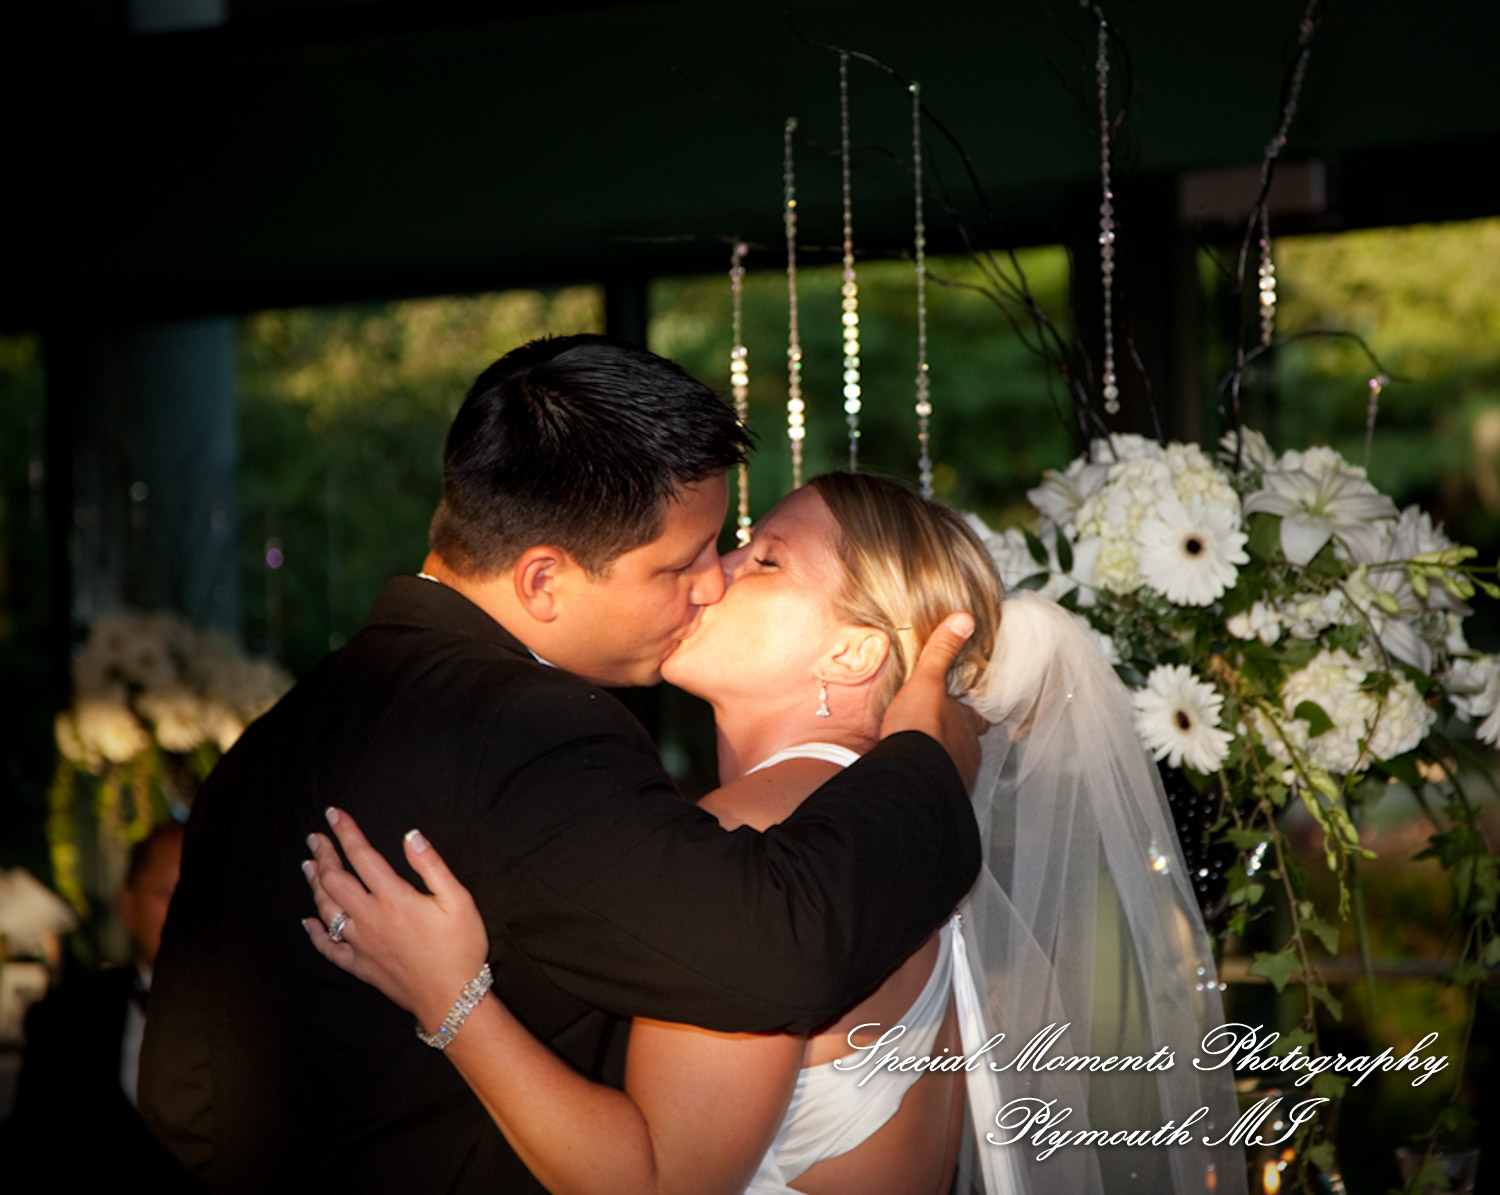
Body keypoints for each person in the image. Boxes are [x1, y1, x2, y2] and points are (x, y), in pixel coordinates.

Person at [139, 336, 984, 1194]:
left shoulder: (261, 751)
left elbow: (181, 1099)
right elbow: (776, 949)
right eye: (680, 563)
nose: (712, 583)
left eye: (734, 551)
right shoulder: (532, 733)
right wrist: (928, 759)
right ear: (543, 581)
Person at [304, 472, 1247, 1195]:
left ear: (854, 650)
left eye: (763, 560)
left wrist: (451, 997)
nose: (710, 573)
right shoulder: (895, 832)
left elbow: (657, 1184)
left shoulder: (758, 834)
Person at [1, 823, 196, 1190]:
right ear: (127, 906)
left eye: (202, 890)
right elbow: (30, 1144)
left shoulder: (260, 1017)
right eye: (168, 892)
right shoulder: (66, 1017)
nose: (187, 909)